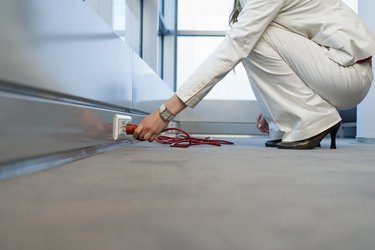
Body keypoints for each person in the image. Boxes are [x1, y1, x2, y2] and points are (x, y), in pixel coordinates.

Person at [133, 0, 375, 150]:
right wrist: (281, 99)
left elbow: (235, 47)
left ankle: (313, 121)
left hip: (348, 73)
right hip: (336, 69)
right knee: (249, 34)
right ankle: (306, 119)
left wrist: (165, 113)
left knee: (249, 37)